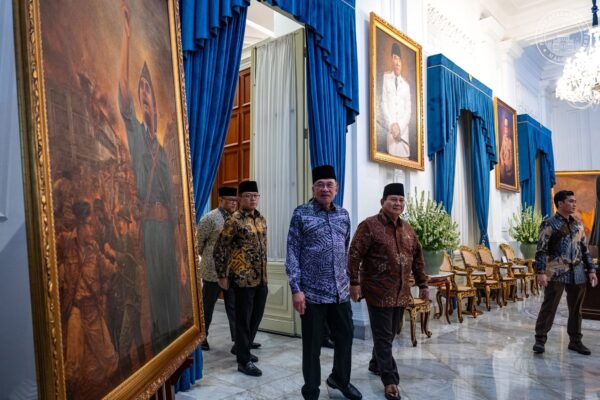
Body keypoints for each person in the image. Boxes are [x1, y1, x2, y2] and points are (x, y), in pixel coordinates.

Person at [118, 2, 186, 354]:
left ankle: (171, 354)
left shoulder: (160, 148)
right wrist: (127, 37)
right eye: (141, 90)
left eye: (148, 91)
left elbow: (174, 209)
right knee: (156, 300)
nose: (144, 96)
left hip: (166, 231)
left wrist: (182, 255)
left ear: (155, 102)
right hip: (149, 230)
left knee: (172, 295)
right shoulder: (135, 135)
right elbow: (122, 97)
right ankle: (158, 351)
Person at [286, 165, 362, 400]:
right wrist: (296, 289)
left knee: (345, 338)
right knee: (312, 346)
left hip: (340, 292)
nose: (325, 189)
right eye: (320, 185)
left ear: (336, 189)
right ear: (313, 188)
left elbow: (345, 249)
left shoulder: (343, 215)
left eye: (329, 185)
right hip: (312, 294)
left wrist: (351, 281)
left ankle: (340, 379)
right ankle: (311, 391)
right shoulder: (301, 214)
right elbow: (292, 252)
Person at [348, 183, 429, 400]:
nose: (397, 203)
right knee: (384, 338)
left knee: (390, 334)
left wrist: (423, 284)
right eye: (393, 199)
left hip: (401, 293)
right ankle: (390, 381)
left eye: (401, 200)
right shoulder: (369, 226)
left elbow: (418, 258)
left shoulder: (408, 229)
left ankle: (376, 363)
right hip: (377, 292)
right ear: (382, 201)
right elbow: (354, 255)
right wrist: (353, 282)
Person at [57, 201, 119, 398]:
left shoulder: (94, 249)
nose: (92, 230)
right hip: (76, 309)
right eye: (89, 225)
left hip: (93, 311)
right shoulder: (66, 242)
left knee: (108, 357)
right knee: (72, 364)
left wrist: (117, 265)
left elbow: (108, 270)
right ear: (81, 225)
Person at [533, 190, 598, 355]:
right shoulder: (549, 224)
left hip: (577, 271)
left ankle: (575, 341)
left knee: (576, 309)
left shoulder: (578, 224)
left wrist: (591, 269)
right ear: (560, 203)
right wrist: (540, 272)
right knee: (549, 307)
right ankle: (540, 340)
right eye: (570, 201)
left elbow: (584, 250)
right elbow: (541, 250)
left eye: (575, 201)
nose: (574, 204)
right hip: (556, 271)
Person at [214, 181, 268, 377]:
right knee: (243, 319)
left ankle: (242, 347)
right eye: (247, 195)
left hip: (261, 278)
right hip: (242, 278)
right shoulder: (234, 220)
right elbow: (220, 248)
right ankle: (243, 361)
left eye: (255, 195)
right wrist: (222, 275)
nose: (252, 199)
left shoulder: (260, 219)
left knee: (256, 316)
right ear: (240, 198)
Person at [196, 186, 238, 351]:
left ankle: (238, 340)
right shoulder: (209, 218)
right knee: (207, 307)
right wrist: (209, 257)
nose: (233, 203)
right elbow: (199, 244)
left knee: (234, 307)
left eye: (235, 200)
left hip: (232, 271)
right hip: (212, 271)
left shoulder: (237, 218)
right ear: (220, 200)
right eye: (230, 200)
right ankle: (202, 338)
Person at [381, 43, 411, 158]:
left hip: (403, 137)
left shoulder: (406, 86)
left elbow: (408, 111)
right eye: (395, 58)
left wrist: (399, 127)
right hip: (391, 135)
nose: (397, 62)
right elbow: (383, 103)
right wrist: (392, 125)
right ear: (391, 60)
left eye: (399, 59)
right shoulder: (385, 79)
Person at [499, 116, 514, 184]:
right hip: (504, 167)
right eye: (505, 126)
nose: (506, 129)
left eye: (507, 127)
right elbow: (501, 153)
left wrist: (506, 164)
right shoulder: (503, 138)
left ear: (510, 128)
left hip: (509, 170)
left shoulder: (511, 141)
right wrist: (502, 161)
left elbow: (511, 159)